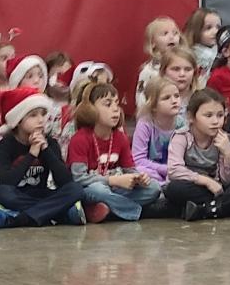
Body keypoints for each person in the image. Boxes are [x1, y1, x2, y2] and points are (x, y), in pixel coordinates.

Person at [0, 87, 86, 228]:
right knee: (1, 193)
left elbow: (65, 180)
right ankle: (57, 213)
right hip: (18, 195)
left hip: (43, 194)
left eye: (43, 114)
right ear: (18, 120)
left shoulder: (50, 142)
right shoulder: (6, 145)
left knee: (76, 189)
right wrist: (31, 155)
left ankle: (22, 218)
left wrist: (45, 149)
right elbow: (6, 182)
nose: (41, 120)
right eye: (33, 115)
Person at [67, 82, 162, 221]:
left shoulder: (120, 137)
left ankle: (105, 210)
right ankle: (135, 212)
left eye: (117, 104)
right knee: (98, 190)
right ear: (90, 109)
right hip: (91, 189)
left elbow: (130, 170)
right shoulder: (80, 138)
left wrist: (139, 179)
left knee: (153, 188)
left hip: (114, 189)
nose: (115, 109)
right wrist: (114, 180)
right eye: (107, 104)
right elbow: (79, 178)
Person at [165, 89, 230, 221]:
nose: (215, 121)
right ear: (191, 117)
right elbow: (174, 170)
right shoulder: (182, 137)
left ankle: (205, 210)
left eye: (220, 115)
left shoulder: (222, 138)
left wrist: (228, 154)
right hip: (194, 186)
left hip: (217, 188)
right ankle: (226, 205)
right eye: (208, 116)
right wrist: (205, 181)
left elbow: (228, 180)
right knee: (173, 188)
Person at [131, 77, 183, 185]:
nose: (174, 101)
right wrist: (165, 169)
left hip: (176, 171)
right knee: (140, 170)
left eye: (176, 96)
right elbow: (138, 159)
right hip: (153, 172)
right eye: (166, 98)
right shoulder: (145, 124)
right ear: (153, 106)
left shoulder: (182, 124)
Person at [135, 16, 184, 109]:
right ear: (153, 43)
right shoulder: (149, 72)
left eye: (175, 33)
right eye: (165, 34)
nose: (171, 37)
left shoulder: (184, 65)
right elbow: (141, 100)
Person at [183, 8, 221, 87]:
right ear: (196, 30)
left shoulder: (221, 51)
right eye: (208, 28)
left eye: (218, 27)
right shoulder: (188, 54)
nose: (215, 31)